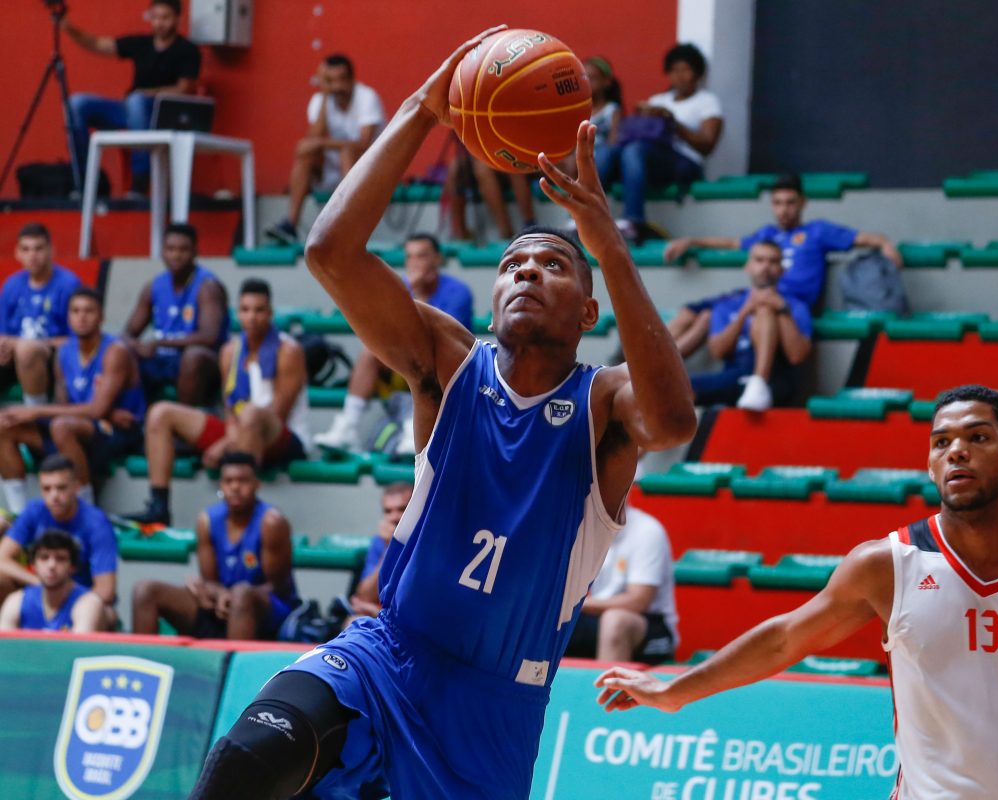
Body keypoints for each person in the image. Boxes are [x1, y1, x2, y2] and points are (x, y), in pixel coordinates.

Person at [188, 27, 695, 800]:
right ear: (491, 300)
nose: (527, 271)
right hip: (385, 653)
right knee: (248, 760)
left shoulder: (605, 404)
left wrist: (609, 246)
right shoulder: (450, 363)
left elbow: (675, 422)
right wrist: (424, 109)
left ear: (589, 311)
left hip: (492, 711)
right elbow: (330, 253)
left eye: (553, 264)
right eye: (512, 264)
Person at [596, 385, 998, 798]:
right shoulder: (887, 564)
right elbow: (785, 639)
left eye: (978, 438)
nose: (956, 450)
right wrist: (675, 690)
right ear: (930, 464)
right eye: (942, 442)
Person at [127, 278, 309, 526]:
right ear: (238, 313)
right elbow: (229, 408)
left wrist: (225, 444)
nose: (252, 317)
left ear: (270, 313)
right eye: (245, 310)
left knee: (252, 414)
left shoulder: (288, 351)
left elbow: (278, 414)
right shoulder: (230, 351)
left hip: (281, 436)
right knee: (160, 412)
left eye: (259, 310)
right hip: (239, 432)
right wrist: (229, 439)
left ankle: (243, 513)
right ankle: (159, 506)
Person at [315, 233, 473, 450]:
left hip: (447, 370)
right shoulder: (401, 286)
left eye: (421, 256)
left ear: (437, 259)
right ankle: (348, 426)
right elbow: (379, 330)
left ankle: (414, 429)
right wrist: (410, 290)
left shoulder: (459, 292)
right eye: (410, 257)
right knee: (370, 351)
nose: (415, 263)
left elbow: (437, 339)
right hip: (407, 364)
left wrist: (413, 293)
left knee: (425, 355)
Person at [0, 288, 145, 508]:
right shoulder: (64, 352)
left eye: (89, 311)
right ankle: (18, 512)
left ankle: (85, 508)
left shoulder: (115, 351)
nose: (82, 317)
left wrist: (36, 411)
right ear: (68, 317)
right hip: (80, 426)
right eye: (75, 311)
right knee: (5, 425)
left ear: (101, 316)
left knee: (62, 426)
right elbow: (64, 405)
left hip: (118, 432)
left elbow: (97, 411)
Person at [131, 451, 300, 639]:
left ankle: (235, 658)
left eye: (243, 481)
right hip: (221, 604)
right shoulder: (207, 520)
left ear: (257, 484)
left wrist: (234, 595)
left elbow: (278, 586)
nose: (235, 487)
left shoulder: (271, 523)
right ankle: (140, 658)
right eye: (229, 481)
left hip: (268, 612)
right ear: (221, 485)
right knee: (145, 591)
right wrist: (214, 591)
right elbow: (210, 581)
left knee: (241, 594)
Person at [664, 173, 902, 302]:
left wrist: (884, 243)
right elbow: (732, 243)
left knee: (760, 306)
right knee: (697, 313)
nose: (783, 210)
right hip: (763, 295)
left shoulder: (818, 231)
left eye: (790, 203)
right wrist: (691, 240)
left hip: (792, 302)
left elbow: (867, 238)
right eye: (777, 203)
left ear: (803, 202)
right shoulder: (767, 234)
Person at [63, 0, 201, 193]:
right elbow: (98, 44)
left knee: (136, 101)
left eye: (165, 17)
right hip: (129, 111)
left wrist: (145, 95)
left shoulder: (187, 50)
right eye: (155, 17)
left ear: (178, 18)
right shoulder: (141, 44)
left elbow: (185, 88)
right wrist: (68, 27)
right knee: (76, 104)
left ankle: (139, 183)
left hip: (164, 115)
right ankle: (83, 180)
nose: (159, 23)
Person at [597, 43, 723, 241]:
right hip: (650, 158)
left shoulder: (707, 101)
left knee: (634, 151)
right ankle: (581, 218)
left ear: (697, 73)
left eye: (685, 70)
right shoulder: (658, 100)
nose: (679, 76)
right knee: (606, 152)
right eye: (674, 70)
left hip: (685, 164)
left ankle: (634, 220)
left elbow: (707, 145)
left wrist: (671, 121)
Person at [264, 54, 386, 246]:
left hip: (369, 169)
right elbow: (313, 139)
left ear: (351, 78)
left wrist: (321, 143)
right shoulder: (320, 100)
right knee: (306, 156)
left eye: (341, 79)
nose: (337, 86)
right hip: (334, 170)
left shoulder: (367, 97)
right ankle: (290, 224)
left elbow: (364, 144)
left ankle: (350, 223)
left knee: (346, 152)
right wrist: (325, 96)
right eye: (330, 80)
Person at [688, 241, 811, 411]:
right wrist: (745, 312)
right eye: (759, 260)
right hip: (735, 374)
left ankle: (759, 382)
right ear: (748, 266)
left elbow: (797, 356)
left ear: (781, 270)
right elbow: (718, 352)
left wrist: (782, 310)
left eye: (773, 261)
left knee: (765, 312)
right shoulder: (728, 304)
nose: (766, 267)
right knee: (679, 389)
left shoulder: (795, 306)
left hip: (776, 378)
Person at [0, 456, 116, 626]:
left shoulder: (96, 523)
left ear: (76, 487)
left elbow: (106, 591)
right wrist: (44, 583)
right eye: (47, 489)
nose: (54, 495)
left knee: (106, 613)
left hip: (82, 600)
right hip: (40, 595)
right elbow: (2, 559)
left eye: (61, 488)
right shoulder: (34, 510)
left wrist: (69, 599)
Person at [122, 223, 229, 406]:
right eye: (170, 249)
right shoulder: (153, 286)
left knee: (193, 356)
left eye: (183, 250)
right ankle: (133, 419)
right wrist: (135, 345)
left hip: (202, 362)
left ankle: (185, 420)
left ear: (195, 252)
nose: (176, 255)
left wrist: (159, 343)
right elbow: (128, 332)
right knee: (121, 352)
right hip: (161, 359)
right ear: (162, 252)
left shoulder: (207, 286)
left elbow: (209, 337)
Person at [565, 505, 678, 663]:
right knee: (548, 619)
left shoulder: (647, 531)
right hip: (597, 618)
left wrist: (573, 603)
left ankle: (608, 680)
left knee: (615, 621)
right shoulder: (579, 528)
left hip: (652, 627)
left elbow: (638, 601)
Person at [0, 223, 82, 408]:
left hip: (52, 358)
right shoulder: (11, 284)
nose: (32, 255)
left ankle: (35, 413)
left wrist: (24, 344)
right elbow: (3, 333)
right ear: (17, 253)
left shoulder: (69, 284)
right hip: (13, 357)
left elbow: (77, 340)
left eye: (38, 248)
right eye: (26, 249)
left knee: (27, 349)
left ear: (51, 250)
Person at [0, 529, 103, 632]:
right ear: (33, 565)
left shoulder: (88, 602)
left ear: (72, 566)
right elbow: (4, 641)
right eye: (44, 557)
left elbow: (80, 642)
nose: (51, 565)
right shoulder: (17, 601)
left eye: (60, 559)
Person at [347, 482, 414, 620]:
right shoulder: (380, 542)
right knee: (353, 621)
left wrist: (375, 611)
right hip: (384, 617)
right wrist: (390, 549)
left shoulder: (427, 540)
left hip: (414, 619)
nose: (394, 517)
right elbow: (365, 597)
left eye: (402, 509)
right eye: (388, 511)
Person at [445, 150, 538, 241]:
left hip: (515, 158)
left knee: (506, 164)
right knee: (456, 167)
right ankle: (461, 235)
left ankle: (529, 224)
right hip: (484, 159)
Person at [560, 56, 623, 179]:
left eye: (593, 78)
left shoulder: (611, 109)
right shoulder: (575, 110)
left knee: (601, 156)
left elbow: (613, 142)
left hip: (599, 156)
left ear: (606, 82)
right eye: (583, 77)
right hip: (574, 157)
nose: (587, 82)